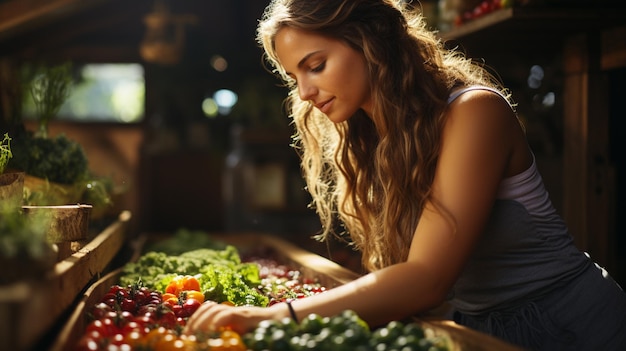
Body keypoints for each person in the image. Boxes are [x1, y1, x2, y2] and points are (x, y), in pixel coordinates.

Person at [185, 0, 626, 349]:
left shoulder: (474, 112)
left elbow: (426, 278)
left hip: (579, 328)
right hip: (480, 334)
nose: (304, 91)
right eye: (293, 76)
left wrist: (278, 317)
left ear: (370, 41)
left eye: (315, 65)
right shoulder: (370, 137)